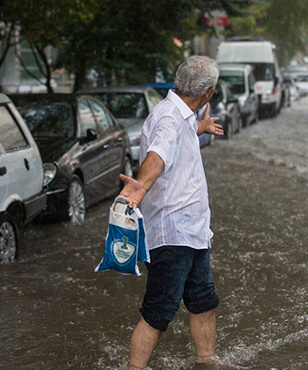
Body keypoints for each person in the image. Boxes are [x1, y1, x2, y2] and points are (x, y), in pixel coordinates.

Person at [118, 55, 224, 369]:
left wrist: (199, 127)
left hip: (193, 233)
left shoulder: (181, 116)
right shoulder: (168, 118)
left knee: (203, 302)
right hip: (173, 235)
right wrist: (140, 186)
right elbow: (157, 155)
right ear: (207, 94)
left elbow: (178, 134)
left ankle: (207, 362)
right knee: (158, 312)